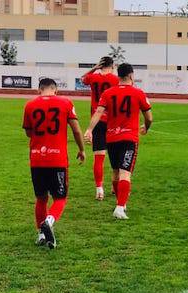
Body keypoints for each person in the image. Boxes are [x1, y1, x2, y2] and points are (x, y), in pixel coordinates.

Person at [84, 63, 153, 220]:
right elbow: (149, 117)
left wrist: (89, 129)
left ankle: (120, 203)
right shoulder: (138, 93)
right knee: (125, 173)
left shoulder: (108, 93)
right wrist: (146, 127)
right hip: (129, 138)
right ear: (130, 75)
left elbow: (98, 112)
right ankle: (120, 207)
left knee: (115, 172)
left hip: (112, 137)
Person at [22, 78, 85, 248]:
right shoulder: (65, 102)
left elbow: (29, 132)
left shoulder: (30, 105)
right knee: (60, 198)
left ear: (39, 90)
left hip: (37, 159)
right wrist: (81, 149)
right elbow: (76, 129)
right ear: (55, 90)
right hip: (57, 159)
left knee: (41, 198)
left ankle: (41, 234)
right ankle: (49, 222)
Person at [80, 56, 119, 201]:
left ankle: (99, 189)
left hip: (96, 121)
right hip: (112, 121)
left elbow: (82, 78)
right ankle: (115, 187)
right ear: (112, 65)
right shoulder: (115, 80)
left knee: (99, 158)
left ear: (100, 65)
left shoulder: (93, 78)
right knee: (116, 157)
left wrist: (94, 68)